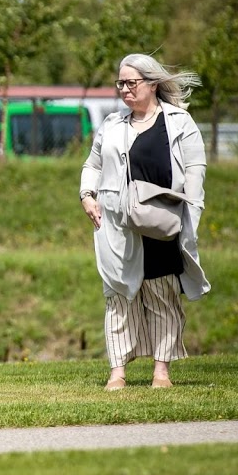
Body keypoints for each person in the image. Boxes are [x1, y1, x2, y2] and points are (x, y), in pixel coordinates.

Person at [79, 53, 210, 391]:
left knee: (162, 295)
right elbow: (92, 165)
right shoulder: (111, 124)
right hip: (118, 225)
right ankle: (117, 372)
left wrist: (189, 214)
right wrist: (87, 195)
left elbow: (196, 172)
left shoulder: (180, 123)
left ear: (151, 84)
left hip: (161, 224)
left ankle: (161, 372)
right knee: (118, 294)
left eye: (131, 83)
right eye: (120, 83)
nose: (124, 89)